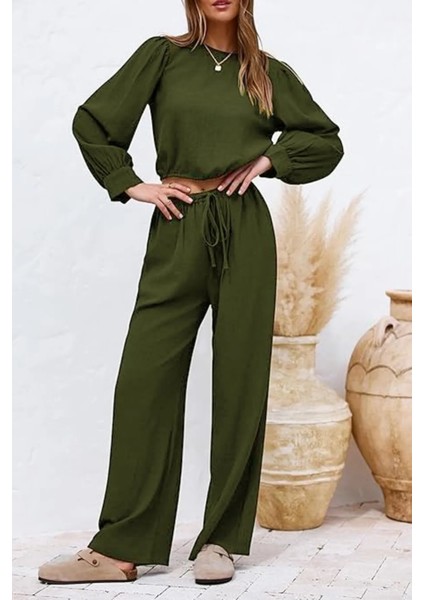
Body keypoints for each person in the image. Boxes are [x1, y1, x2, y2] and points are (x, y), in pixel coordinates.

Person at [38, 0, 344, 587]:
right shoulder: (162, 57)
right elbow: (94, 122)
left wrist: (272, 159)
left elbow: (326, 141)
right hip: (176, 224)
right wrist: (130, 183)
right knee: (144, 381)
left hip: (243, 227)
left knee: (240, 381)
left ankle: (221, 541)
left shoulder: (267, 72)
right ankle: (120, 547)